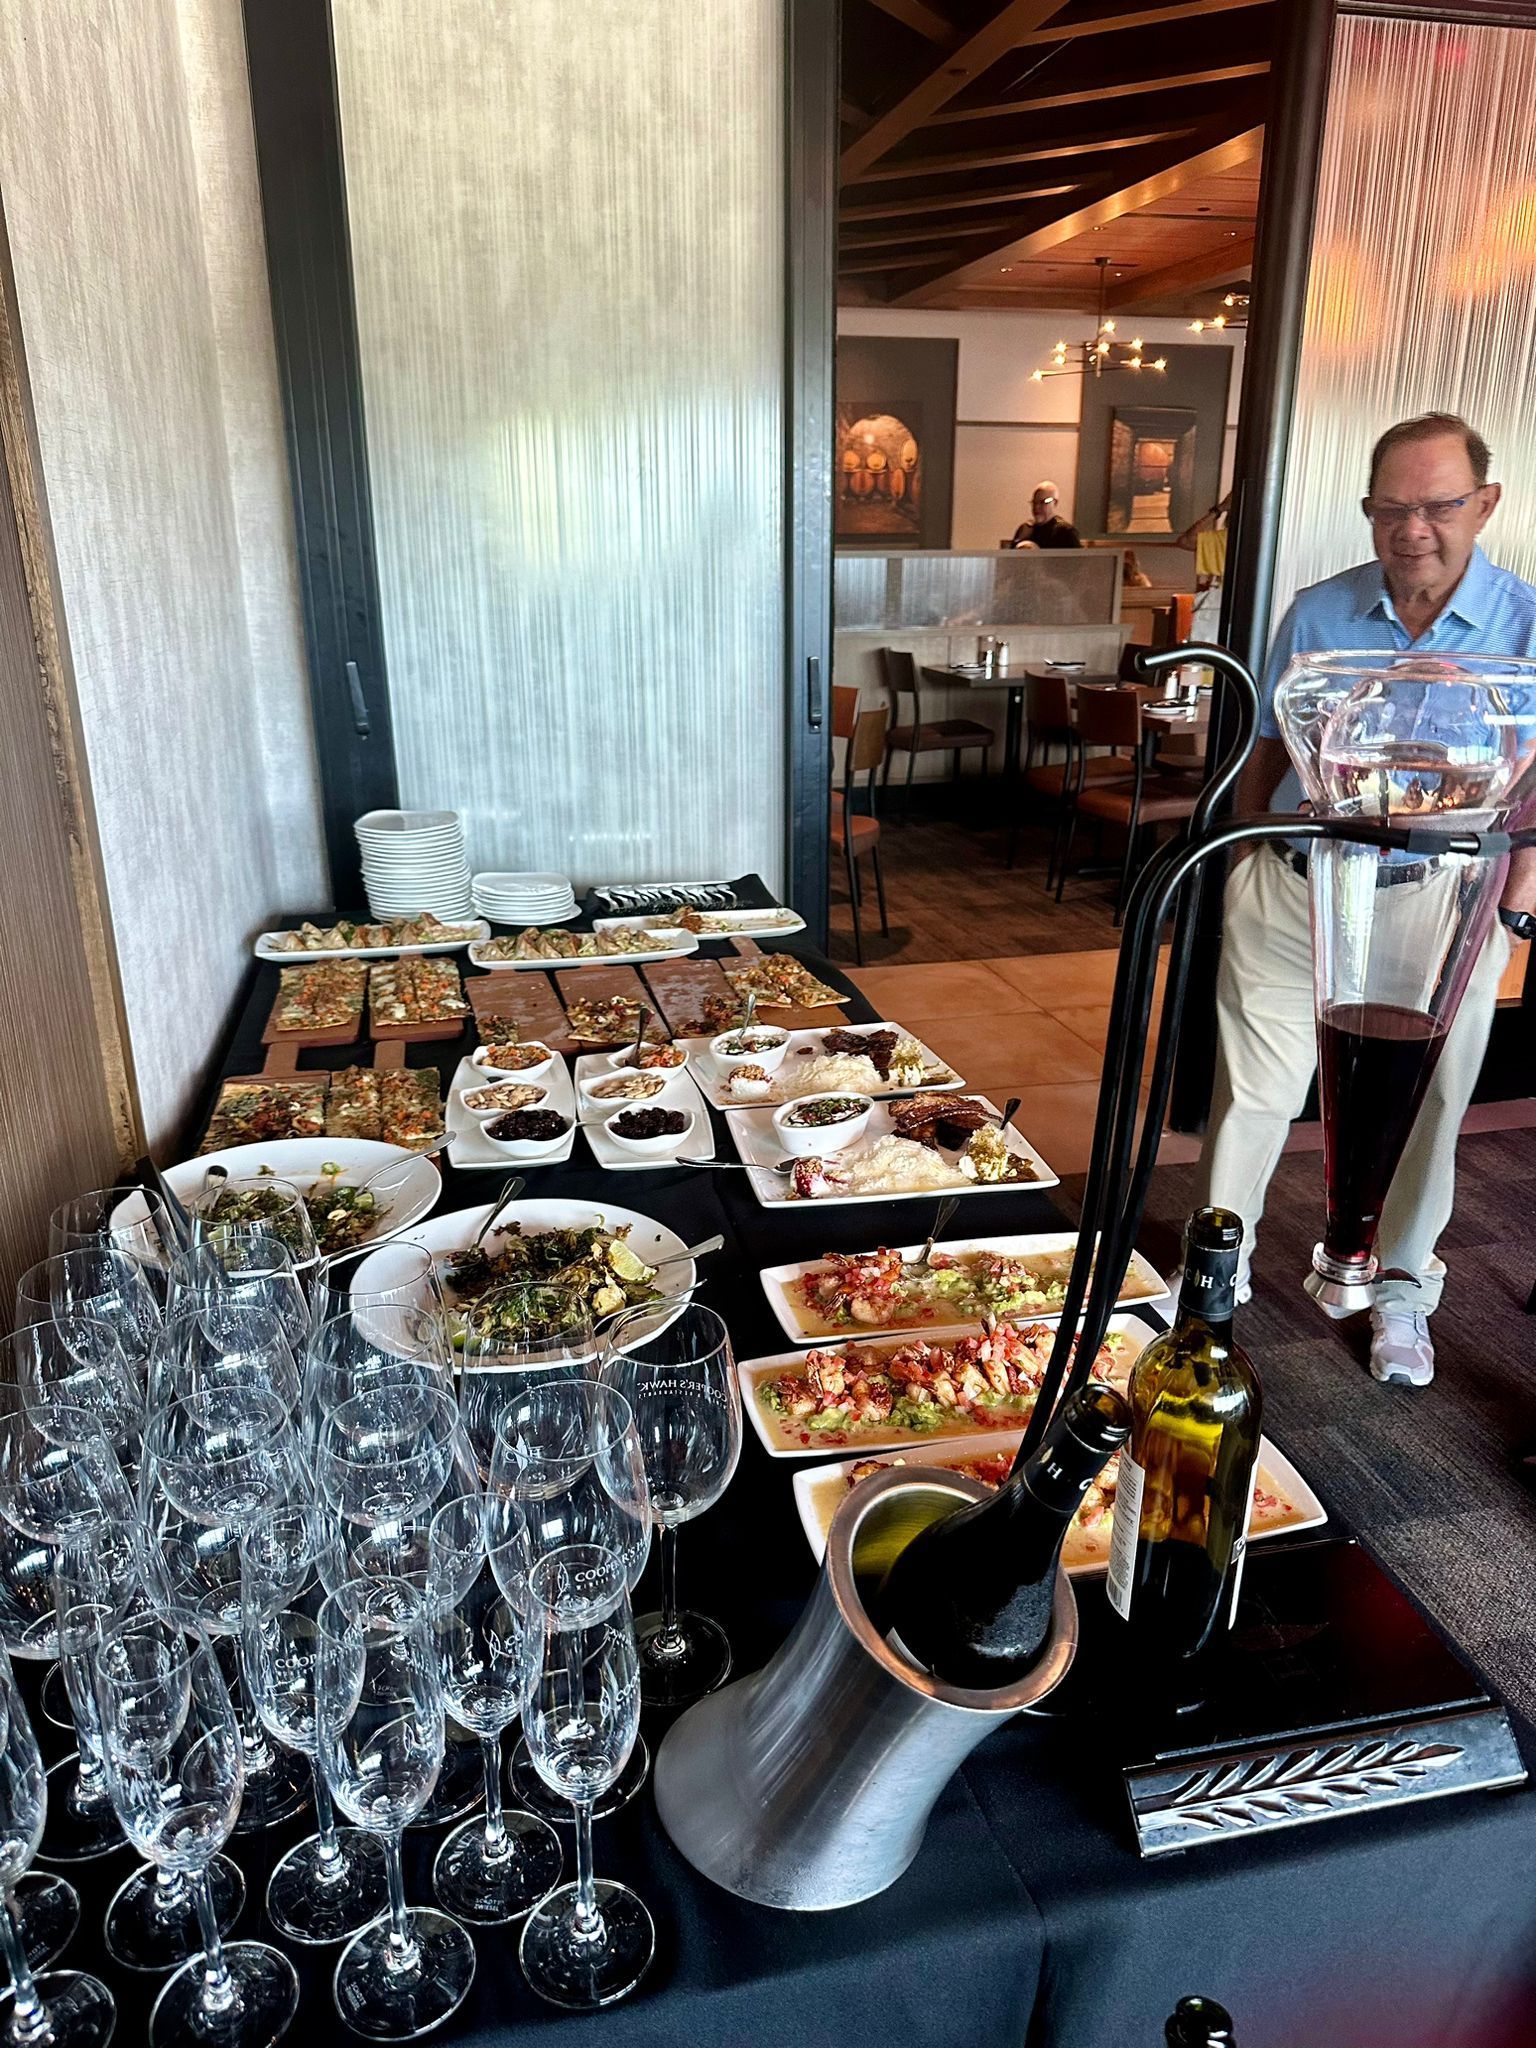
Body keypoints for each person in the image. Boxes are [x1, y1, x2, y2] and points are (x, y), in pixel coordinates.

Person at [1190, 411, 1536, 1387]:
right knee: (1254, 1092)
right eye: (1391, 507)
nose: (1412, 528)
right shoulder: (1318, 612)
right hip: (1299, 885)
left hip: (1441, 905)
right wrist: (1244, 854)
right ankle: (1215, 1277)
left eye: (1436, 505)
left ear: (1485, 504)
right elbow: (1264, 741)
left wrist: (1516, 900)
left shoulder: (1527, 626)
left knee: (1427, 1104)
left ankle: (1401, 1296)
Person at [1011, 483, 1081, 550]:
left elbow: (1076, 561)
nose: (1036, 507)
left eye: (1043, 502)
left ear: (1055, 503)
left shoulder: (1066, 532)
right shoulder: (1024, 529)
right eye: (1034, 502)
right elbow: (1009, 559)